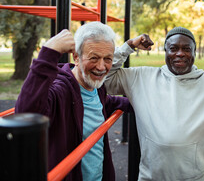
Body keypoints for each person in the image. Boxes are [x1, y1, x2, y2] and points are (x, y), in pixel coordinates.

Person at [105, 26, 204, 181]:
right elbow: (105, 79)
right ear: (166, 51)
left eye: (186, 49)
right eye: (173, 48)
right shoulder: (140, 77)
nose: (180, 53)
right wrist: (129, 46)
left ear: (194, 52)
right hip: (150, 177)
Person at [15, 22, 151, 181]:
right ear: (76, 57)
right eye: (94, 58)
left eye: (107, 58)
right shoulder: (61, 90)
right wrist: (49, 52)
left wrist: (144, 102)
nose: (101, 67)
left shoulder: (96, 86)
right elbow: (25, 114)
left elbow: (107, 103)